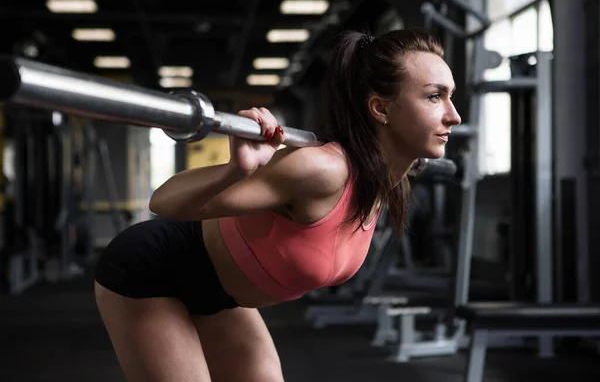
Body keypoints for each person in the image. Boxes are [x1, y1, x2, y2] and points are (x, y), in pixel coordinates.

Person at [93, 27, 461, 382]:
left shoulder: (388, 175)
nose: (453, 114)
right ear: (380, 108)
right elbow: (163, 201)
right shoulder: (323, 170)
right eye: (434, 97)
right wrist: (236, 169)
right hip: (155, 270)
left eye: (450, 96)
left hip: (220, 293)